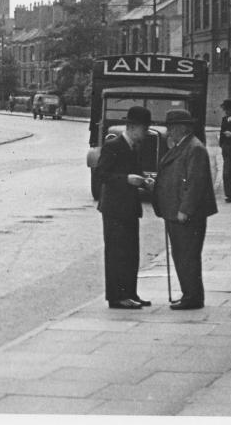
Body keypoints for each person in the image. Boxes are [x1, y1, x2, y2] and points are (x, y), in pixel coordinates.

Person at [152, 109, 218, 310]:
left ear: (181, 128)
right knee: (182, 255)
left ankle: (193, 297)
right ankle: (189, 294)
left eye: (171, 128)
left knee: (187, 255)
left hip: (186, 214)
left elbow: (195, 183)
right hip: (175, 211)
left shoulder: (194, 148)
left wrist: (185, 209)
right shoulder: (183, 145)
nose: (169, 132)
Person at [94, 105, 154, 309]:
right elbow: (101, 174)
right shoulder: (113, 145)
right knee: (116, 253)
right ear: (133, 127)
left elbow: (135, 173)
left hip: (128, 208)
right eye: (144, 129)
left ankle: (130, 293)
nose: (146, 134)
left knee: (131, 253)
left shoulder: (134, 146)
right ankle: (116, 296)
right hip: (114, 209)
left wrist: (145, 182)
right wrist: (127, 179)